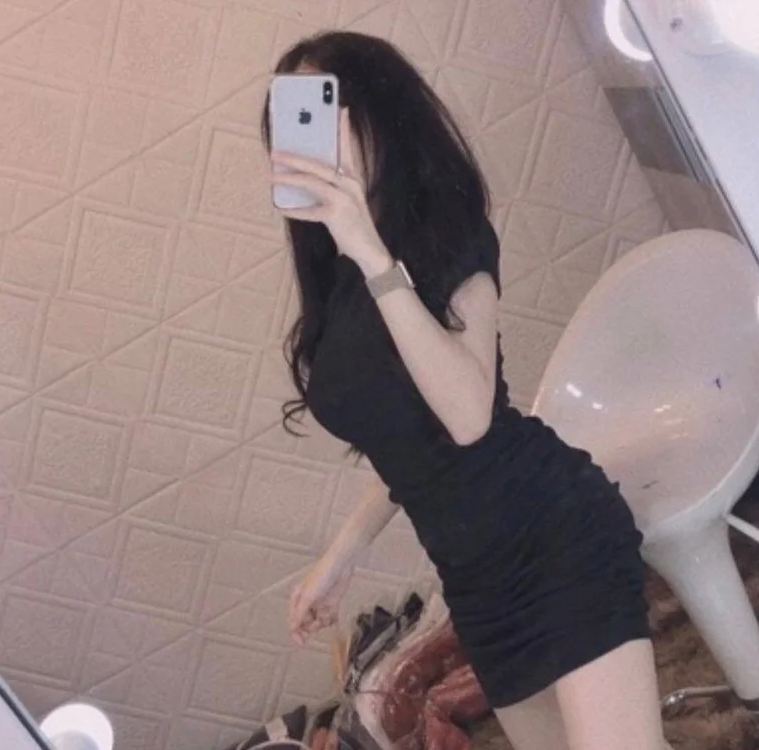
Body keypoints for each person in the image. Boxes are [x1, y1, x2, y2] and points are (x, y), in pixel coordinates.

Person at [262, 31, 668, 750]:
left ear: (380, 113)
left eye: (329, 108)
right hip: (478, 585)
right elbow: (410, 452)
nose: (313, 136)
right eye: (294, 117)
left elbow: (469, 417)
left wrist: (372, 254)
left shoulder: (446, 233)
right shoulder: (337, 280)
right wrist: (340, 558)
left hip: (553, 535)